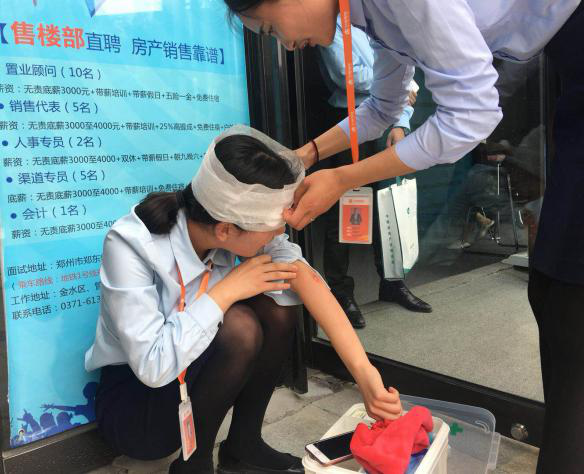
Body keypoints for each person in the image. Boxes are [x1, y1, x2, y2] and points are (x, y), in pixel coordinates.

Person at [223, 2, 583, 472]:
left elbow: (472, 115)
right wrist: (306, 155)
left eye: (273, 28)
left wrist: (343, 178)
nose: (287, 46)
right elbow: (382, 108)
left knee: (568, 308)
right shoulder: (368, 16)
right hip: (568, 72)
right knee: (550, 291)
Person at [85, 126, 402, 474]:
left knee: (277, 307)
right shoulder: (130, 245)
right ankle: (194, 465)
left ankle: (243, 446)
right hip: (137, 408)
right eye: (274, 227)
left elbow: (306, 280)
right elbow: (153, 367)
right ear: (225, 230)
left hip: (187, 378)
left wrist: (366, 375)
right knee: (239, 326)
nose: (281, 232)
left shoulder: (222, 221)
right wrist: (228, 291)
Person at [316, 18, 431, 327]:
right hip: (348, 122)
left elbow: (403, 73)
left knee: (387, 206)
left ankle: (392, 283)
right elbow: (347, 75)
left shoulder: (378, 19)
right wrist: (398, 86)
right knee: (344, 209)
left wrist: (401, 122)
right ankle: (340, 292)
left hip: (387, 123)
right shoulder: (334, 22)